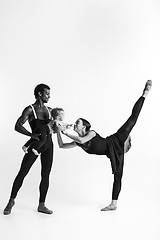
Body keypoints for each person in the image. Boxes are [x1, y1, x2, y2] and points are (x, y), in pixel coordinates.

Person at [56, 80, 152, 211]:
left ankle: (145, 93)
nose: (75, 124)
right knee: (118, 177)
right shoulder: (77, 143)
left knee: (133, 118)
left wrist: (64, 131)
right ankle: (114, 204)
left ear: (84, 126)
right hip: (113, 152)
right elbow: (61, 146)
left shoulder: (91, 133)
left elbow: (81, 140)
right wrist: (57, 132)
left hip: (116, 140)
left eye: (77, 122)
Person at [3, 84, 54, 215]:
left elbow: (54, 126)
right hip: (36, 145)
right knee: (23, 172)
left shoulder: (50, 110)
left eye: (49, 93)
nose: (49, 96)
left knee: (45, 175)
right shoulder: (30, 110)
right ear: (39, 94)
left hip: (48, 145)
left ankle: (41, 205)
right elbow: (18, 125)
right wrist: (31, 135)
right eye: (47, 93)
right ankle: (11, 201)